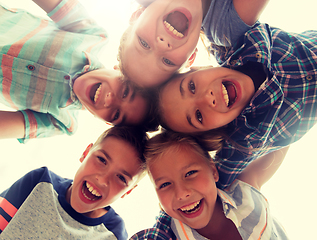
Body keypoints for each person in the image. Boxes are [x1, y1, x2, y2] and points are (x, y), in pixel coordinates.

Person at [157, 20, 317, 188]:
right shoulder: (243, 142)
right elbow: (209, 188)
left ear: (197, 68)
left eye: (191, 86)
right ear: (210, 130)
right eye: (198, 116)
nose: (207, 99)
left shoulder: (234, 39)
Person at [0, 0, 152, 143]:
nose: (109, 101)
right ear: (121, 69)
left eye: (117, 115)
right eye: (125, 92)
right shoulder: (92, 35)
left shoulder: (60, 123)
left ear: (106, 121)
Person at [130, 130, 289, 240]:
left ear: (213, 170)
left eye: (190, 173)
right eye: (164, 184)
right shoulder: (168, 234)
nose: (181, 193)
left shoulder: (244, 191)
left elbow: (287, 136)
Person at [0, 125, 148, 239]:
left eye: (121, 178)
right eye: (102, 160)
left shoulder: (115, 234)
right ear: (85, 153)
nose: (103, 180)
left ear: (129, 191)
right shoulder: (39, 182)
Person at [117, 0, 269, 87]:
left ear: (138, 15)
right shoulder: (225, 28)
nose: (162, 45)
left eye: (143, 43)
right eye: (167, 61)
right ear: (191, 58)